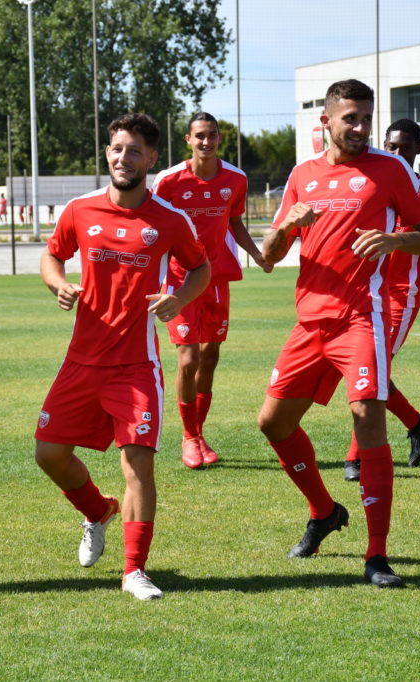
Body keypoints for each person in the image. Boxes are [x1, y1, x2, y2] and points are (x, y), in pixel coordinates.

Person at [257, 80, 420, 588]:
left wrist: (395, 240)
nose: (361, 128)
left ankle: (377, 555)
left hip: (362, 319)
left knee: (367, 418)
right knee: (273, 423)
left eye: (366, 118)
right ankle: (324, 512)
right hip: (309, 323)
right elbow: (270, 257)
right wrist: (286, 225)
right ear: (326, 121)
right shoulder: (302, 175)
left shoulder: (390, 169)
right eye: (351, 119)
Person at [35, 113, 209, 601]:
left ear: (151, 158)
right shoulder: (80, 210)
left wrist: (179, 298)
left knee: (138, 467)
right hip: (81, 360)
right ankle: (98, 511)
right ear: (107, 153)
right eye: (117, 149)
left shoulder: (169, 220)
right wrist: (58, 283)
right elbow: (52, 255)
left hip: (136, 366)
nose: (123, 158)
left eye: (134, 151)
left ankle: (134, 570)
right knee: (49, 454)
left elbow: (200, 268)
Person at [152, 111, 271, 469]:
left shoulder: (236, 178)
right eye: (200, 135)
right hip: (180, 279)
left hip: (217, 277)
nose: (207, 141)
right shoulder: (169, 180)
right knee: (188, 358)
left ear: (220, 138)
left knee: (210, 357)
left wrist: (257, 255)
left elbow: (234, 222)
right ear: (188, 140)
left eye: (213, 135)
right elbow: (153, 224)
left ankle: (199, 433)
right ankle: (189, 438)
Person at [343, 119, 420, 481]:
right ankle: (416, 423)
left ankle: (356, 458)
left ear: (419, 149)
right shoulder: (372, 185)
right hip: (365, 291)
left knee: (372, 370)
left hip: (401, 296)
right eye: (391, 147)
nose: (396, 153)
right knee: (367, 370)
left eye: (405, 147)